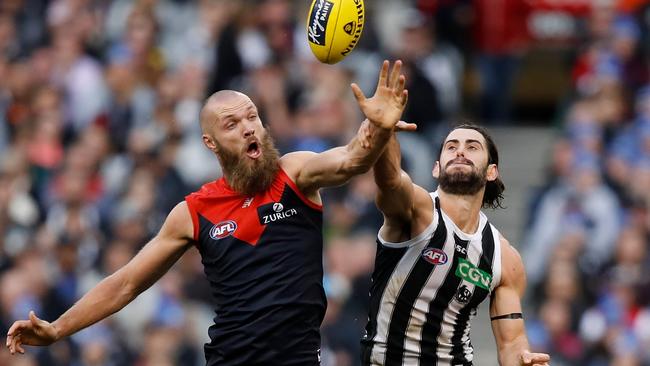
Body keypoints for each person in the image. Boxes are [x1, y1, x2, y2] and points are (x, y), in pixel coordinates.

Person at [5, 60, 411, 366]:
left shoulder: (295, 173)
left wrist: (378, 128)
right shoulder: (193, 212)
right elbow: (125, 284)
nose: (248, 127)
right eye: (231, 124)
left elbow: (352, 160)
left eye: (252, 116)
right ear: (211, 143)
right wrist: (58, 328)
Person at [359, 123, 550, 365]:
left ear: (491, 172)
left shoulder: (504, 256)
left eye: (472, 147)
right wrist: (385, 133)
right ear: (436, 168)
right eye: (451, 147)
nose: (460, 151)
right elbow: (391, 182)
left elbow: (511, 342)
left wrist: (523, 361)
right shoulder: (418, 210)